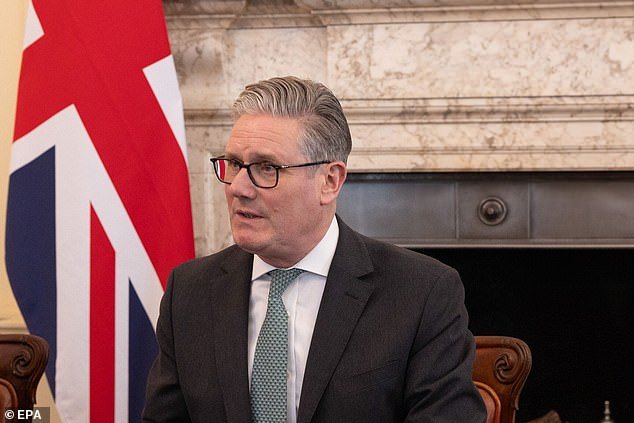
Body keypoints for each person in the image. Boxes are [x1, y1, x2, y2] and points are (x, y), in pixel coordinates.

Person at [143, 76, 486, 423]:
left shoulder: (421, 292)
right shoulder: (189, 291)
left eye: (267, 168)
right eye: (234, 164)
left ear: (330, 181)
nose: (239, 188)